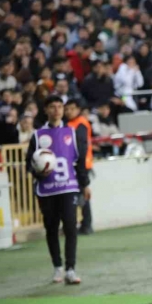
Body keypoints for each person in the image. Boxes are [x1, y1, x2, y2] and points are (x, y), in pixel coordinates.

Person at [25, 95, 91, 285]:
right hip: (47, 190)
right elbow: (28, 164)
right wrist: (39, 172)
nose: (56, 110)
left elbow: (79, 164)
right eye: (52, 107)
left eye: (59, 106)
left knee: (71, 227)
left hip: (69, 188)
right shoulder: (38, 136)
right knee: (51, 229)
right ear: (45, 110)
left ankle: (71, 269)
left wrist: (85, 184)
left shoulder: (72, 132)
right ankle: (57, 267)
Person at [65, 100, 95, 235]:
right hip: (75, 163)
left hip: (82, 163)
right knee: (79, 195)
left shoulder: (80, 123)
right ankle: (84, 224)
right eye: (67, 109)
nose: (69, 112)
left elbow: (81, 147)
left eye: (72, 109)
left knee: (82, 194)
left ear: (78, 110)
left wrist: (79, 163)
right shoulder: (70, 124)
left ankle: (86, 224)